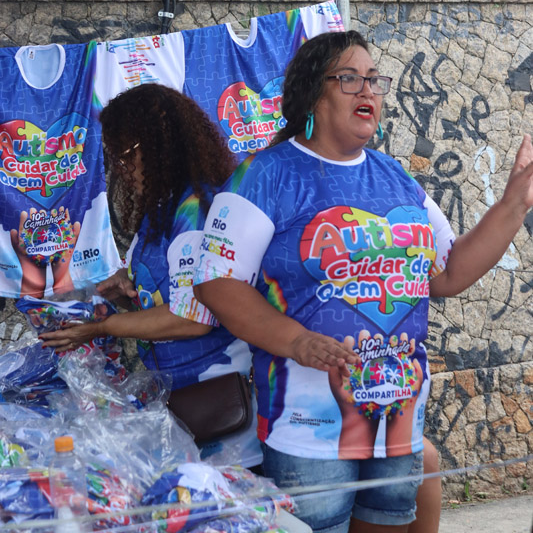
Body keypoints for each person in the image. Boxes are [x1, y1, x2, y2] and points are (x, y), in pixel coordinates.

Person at [192, 30, 533, 533]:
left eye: (374, 79)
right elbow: (215, 283)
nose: (367, 91)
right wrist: (296, 340)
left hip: (399, 418)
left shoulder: (395, 177)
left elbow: (451, 271)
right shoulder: (265, 176)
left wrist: (513, 205)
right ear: (312, 91)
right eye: (349, 78)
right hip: (308, 431)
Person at [39, 83, 262, 468]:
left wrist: (102, 329)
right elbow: (172, 292)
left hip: (222, 411)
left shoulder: (195, 212)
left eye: (126, 156)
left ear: (160, 146)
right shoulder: (162, 210)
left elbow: (191, 319)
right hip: (186, 405)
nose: (122, 170)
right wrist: (127, 290)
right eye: (115, 158)